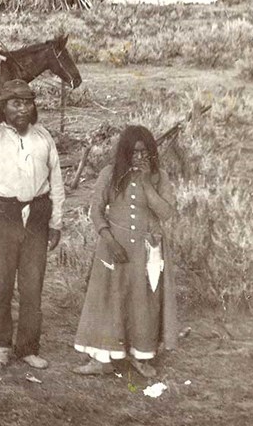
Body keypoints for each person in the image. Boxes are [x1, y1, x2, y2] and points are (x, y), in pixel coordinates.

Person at [0, 78, 64, 370]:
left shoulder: (44, 137)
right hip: (0, 215)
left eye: (28, 102)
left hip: (36, 216)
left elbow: (56, 182)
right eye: (15, 103)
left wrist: (56, 221)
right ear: (3, 107)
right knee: (2, 284)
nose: (22, 109)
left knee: (32, 286)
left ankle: (28, 348)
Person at [73, 125, 178, 378]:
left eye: (144, 152)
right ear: (124, 153)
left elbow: (166, 213)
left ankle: (140, 356)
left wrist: (146, 184)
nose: (139, 158)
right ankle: (101, 358)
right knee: (108, 299)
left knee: (144, 302)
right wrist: (109, 241)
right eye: (134, 153)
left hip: (147, 250)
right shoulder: (109, 174)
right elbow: (96, 211)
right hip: (113, 248)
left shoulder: (159, 176)